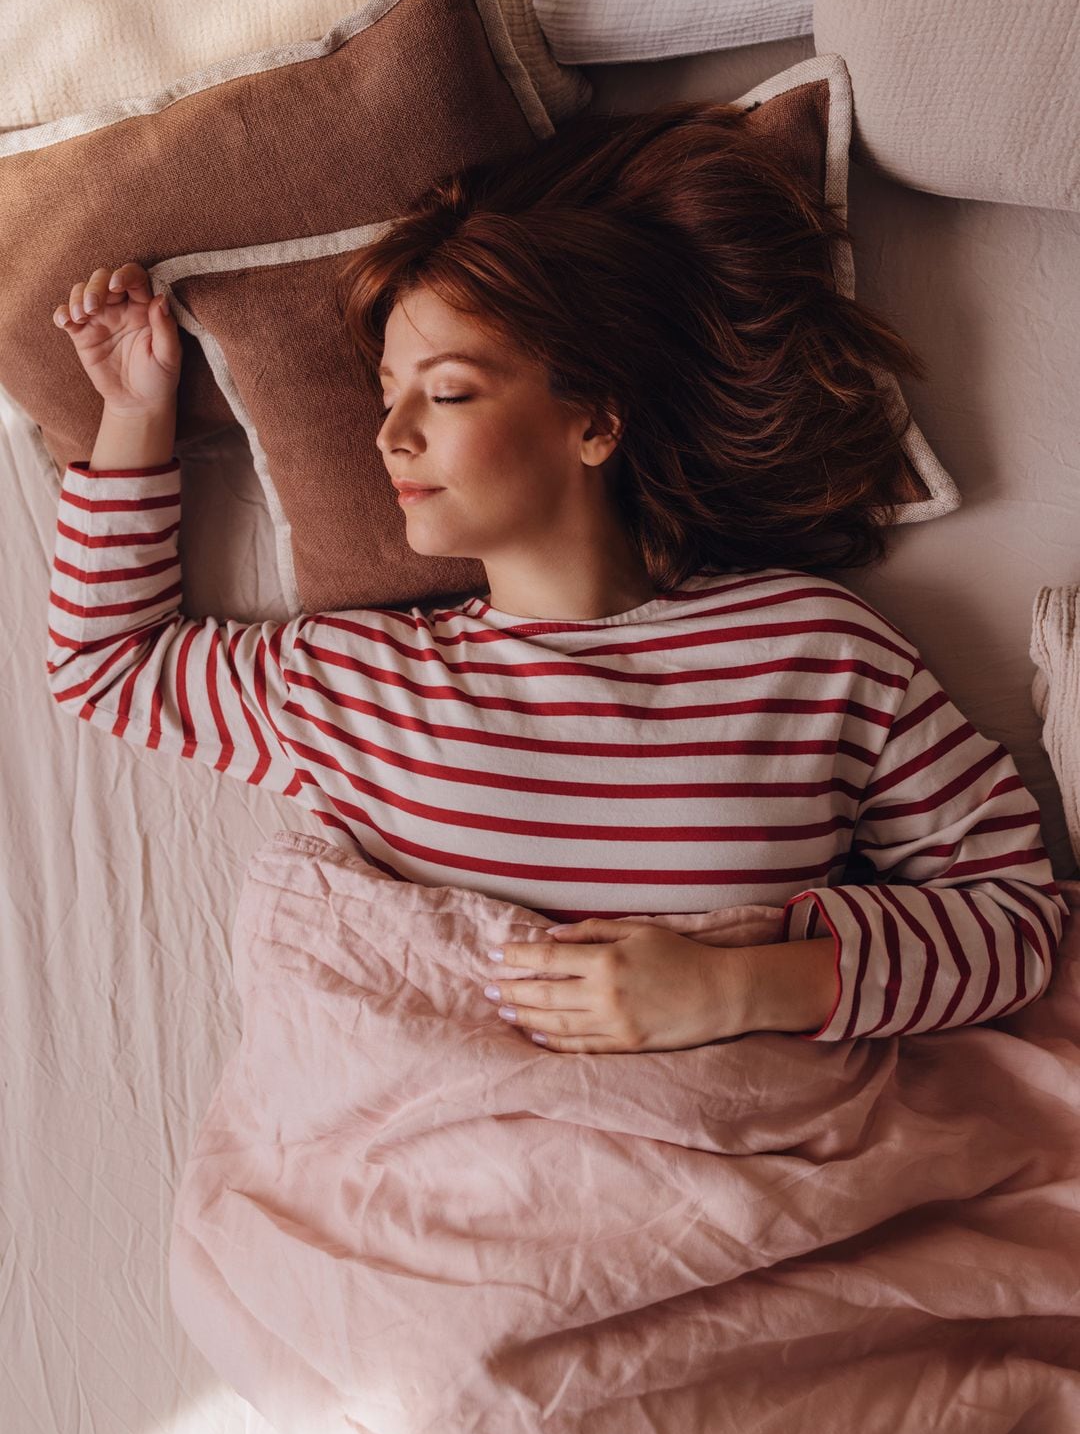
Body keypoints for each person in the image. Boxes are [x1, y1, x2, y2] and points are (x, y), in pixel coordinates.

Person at [47, 101, 1067, 1054]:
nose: (390, 436)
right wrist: (137, 410)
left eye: (445, 393)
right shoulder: (350, 682)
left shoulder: (816, 648)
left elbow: (1018, 919)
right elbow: (104, 662)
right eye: (388, 395)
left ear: (594, 420)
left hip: (770, 1168)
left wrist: (747, 988)